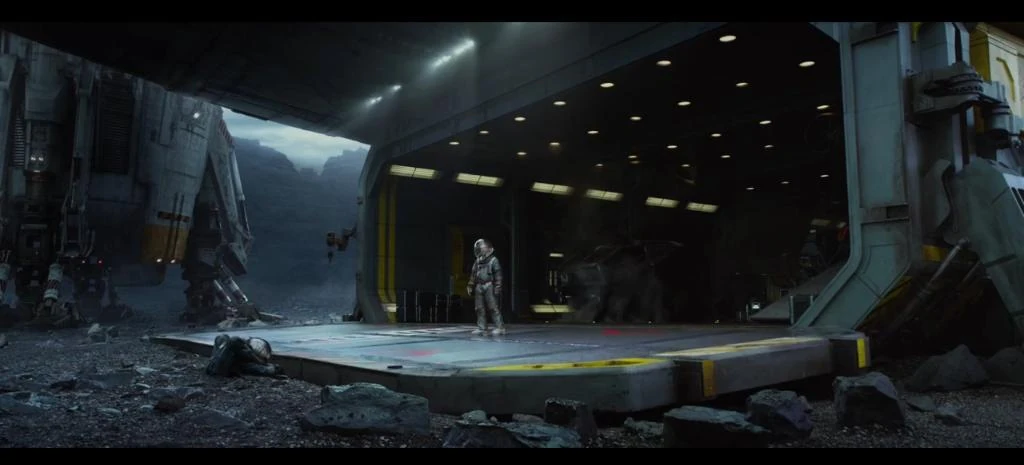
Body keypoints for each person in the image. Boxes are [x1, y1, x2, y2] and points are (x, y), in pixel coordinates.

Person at [467, 238, 505, 336]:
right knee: (479, 308)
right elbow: (473, 275)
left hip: (489, 285)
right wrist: (470, 285)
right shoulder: (478, 261)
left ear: (486, 249)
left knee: (493, 307)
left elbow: (498, 275)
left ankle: (499, 327)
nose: (479, 251)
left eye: (480, 249)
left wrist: (498, 287)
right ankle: (482, 328)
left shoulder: (493, 260)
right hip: (479, 285)